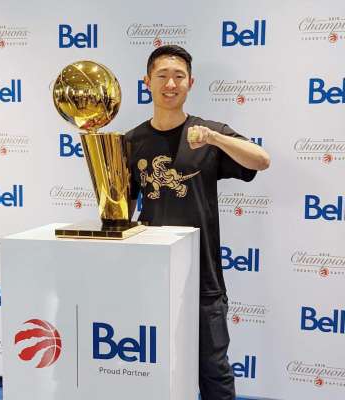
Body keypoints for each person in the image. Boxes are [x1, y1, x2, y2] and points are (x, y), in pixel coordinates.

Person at [125, 45, 270, 400]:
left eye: (178, 77)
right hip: (151, 277)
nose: (170, 84)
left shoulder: (208, 132)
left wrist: (216, 138)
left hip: (203, 279)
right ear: (147, 82)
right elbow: (122, 208)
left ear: (190, 83)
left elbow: (261, 160)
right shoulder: (132, 142)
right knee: (149, 366)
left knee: (214, 371)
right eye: (161, 76)